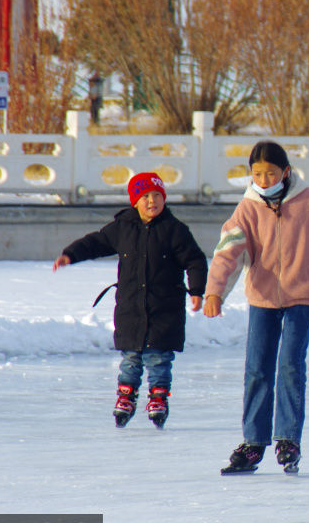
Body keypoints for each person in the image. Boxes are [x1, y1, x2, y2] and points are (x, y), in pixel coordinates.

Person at [204, 141, 309, 475]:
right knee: (257, 367)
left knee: (290, 364)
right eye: (256, 173)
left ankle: (288, 439)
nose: (262, 179)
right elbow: (227, 251)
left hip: (302, 297)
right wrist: (215, 292)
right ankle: (253, 442)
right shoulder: (247, 208)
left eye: (270, 173)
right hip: (262, 298)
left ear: (285, 172)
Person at [53, 172, 207, 429]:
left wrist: (197, 290)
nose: (151, 201)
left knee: (159, 358)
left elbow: (195, 260)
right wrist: (70, 255)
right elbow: (96, 242)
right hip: (131, 308)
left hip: (164, 308)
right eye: (145, 196)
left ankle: (158, 397)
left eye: (157, 195)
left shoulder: (175, 230)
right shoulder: (123, 227)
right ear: (135, 201)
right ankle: (126, 395)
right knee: (131, 358)